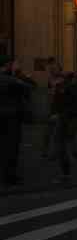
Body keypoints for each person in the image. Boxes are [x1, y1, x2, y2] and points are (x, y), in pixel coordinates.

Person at [0, 54, 34, 187]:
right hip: (11, 117)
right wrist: (19, 73)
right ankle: (10, 177)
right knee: (11, 147)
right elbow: (30, 87)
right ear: (8, 65)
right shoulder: (10, 79)